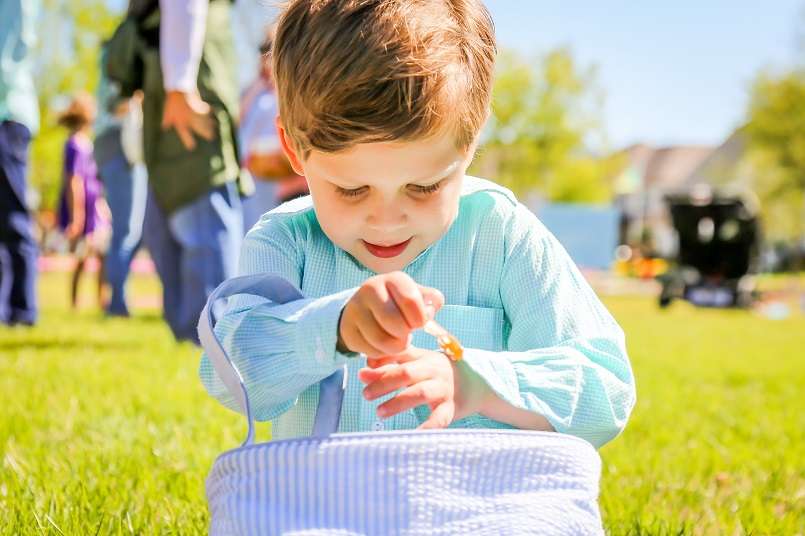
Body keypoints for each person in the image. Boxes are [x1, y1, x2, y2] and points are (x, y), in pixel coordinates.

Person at [200, 0, 636, 448]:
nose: (386, 220)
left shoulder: (502, 235)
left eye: (424, 187)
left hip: (473, 513)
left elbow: (606, 389)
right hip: (326, 511)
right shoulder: (286, 241)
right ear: (294, 151)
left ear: (470, 143)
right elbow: (226, 376)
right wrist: (332, 328)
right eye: (351, 190)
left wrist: (479, 383)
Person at [106, 0, 247, 343]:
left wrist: (180, 86)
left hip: (189, 78)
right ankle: (190, 333)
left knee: (200, 198)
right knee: (170, 216)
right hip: (169, 75)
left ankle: (209, 336)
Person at [239, 25, 309, 232]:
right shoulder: (254, 91)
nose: (266, 58)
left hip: (289, 175)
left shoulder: (293, 91)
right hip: (257, 172)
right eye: (263, 51)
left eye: (270, 50)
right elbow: (239, 121)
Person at [95, 46, 147, 317]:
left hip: (112, 144)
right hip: (121, 143)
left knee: (131, 230)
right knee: (127, 229)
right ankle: (117, 303)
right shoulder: (121, 54)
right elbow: (114, 104)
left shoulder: (112, 53)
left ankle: (117, 299)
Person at [0, 0, 40, 327]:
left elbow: (6, 54)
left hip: (7, 115)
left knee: (13, 218)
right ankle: (6, 308)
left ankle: (23, 309)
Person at [56, 93, 111, 310]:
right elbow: (74, 181)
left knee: (102, 255)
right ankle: (75, 303)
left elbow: (95, 180)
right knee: (81, 258)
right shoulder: (74, 145)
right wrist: (77, 215)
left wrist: (101, 206)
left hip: (95, 207)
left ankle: (103, 302)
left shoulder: (88, 143)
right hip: (83, 209)